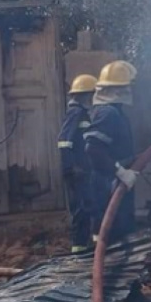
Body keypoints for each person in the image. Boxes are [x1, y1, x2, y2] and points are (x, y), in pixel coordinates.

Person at [84, 61, 139, 244]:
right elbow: (93, 148)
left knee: (121, 230)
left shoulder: (114, 111)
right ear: (117, 89)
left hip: (113, 182)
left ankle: (118, 269)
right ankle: (107, 269)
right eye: (126, 87)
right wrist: (120, 171)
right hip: (107, 184)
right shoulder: (108, 113)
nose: (129, 91)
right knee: (111, 233)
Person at [57, 74, 97, 253]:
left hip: (81, 171)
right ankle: (78, 250)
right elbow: (64, 141)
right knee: (80, 210)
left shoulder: (81, 112)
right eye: (91, 94)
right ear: (85, 95)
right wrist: (70, 168)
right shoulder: (76, 112)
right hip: (76, 172)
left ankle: (84, 246)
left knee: (87, 207)